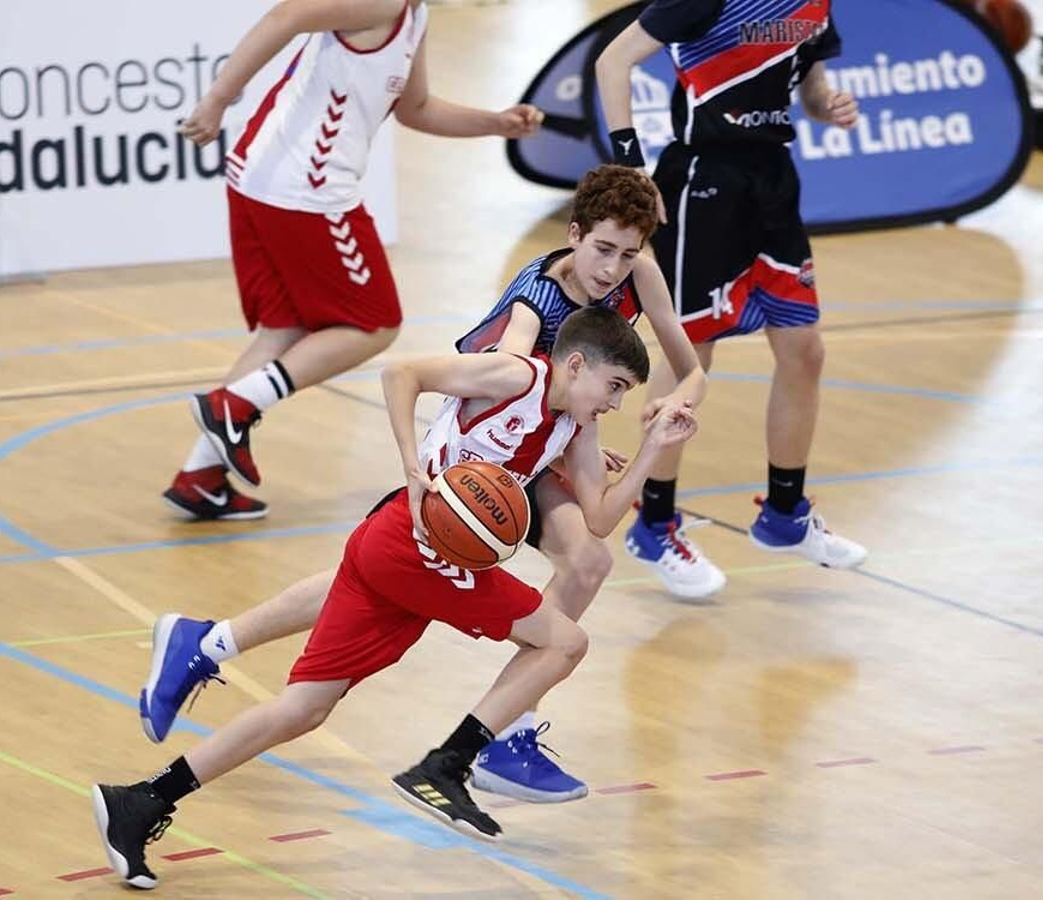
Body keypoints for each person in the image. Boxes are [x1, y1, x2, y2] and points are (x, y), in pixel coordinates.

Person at [135, 166, 706, 808]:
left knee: (372, 589)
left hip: (540, 441)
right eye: (603, 251)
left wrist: (659, 418)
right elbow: (484, 400)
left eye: (628, 255)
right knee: (578, 566)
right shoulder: (532, 316)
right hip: (487, 455)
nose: (614, 269)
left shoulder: (636, 277)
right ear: (575, 235)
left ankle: (208, 643)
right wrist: (508, 454)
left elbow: (689, 371)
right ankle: (501, 732)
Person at [94, 308, 698, 888]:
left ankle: (141, 801)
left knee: (303, 708)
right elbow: (400, 372)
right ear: (573, 364)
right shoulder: (516, 375)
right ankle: (448, 764)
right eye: (613, 386)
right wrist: (413, 467)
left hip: (402, 551)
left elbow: (597, 519)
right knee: (565, 641)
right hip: (416, 544)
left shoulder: (576, 425)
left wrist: (652, 450)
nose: (616, 402)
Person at [164, 0, 543, 520]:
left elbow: (417, 108)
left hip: (263, 179)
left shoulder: (414, 14)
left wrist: (495, 123)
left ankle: (201, 477)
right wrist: (217, 100)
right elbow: (285, 16)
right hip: (306, 191)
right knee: (375, 322)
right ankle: (232, 406)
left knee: (288, 330)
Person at [594, 0, 869, 588]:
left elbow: (811, 83)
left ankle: (784, 513)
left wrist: (829, 106)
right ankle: (654, 522)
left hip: (774, 179)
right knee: (691, 355)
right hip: (704, 182)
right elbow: (612, 61)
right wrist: (631, 164)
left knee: (805, 351)